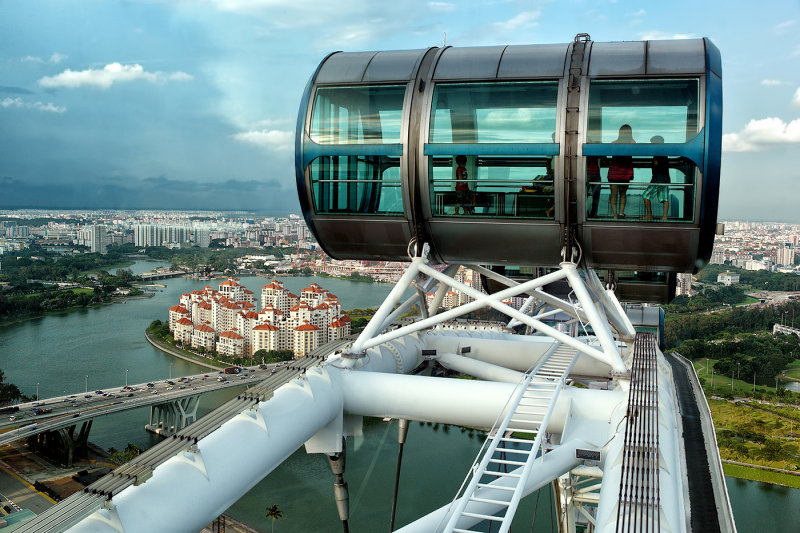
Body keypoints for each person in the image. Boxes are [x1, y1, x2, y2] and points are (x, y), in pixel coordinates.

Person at [607, 124, 635, 219]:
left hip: (614, 172)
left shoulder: (614, 143)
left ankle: (615, 215)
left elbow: (607, 153)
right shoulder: (632, 142)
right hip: (625, 172)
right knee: (623, 194)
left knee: (613, 195)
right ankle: (621, 213)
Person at [643, 135, 671, 220]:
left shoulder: (657, 154)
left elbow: (656, 164)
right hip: (665, 179)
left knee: (646, 195)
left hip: (657, 180)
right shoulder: (664, 154)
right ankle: (665, 217)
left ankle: (649, 215)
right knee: (665, 198)